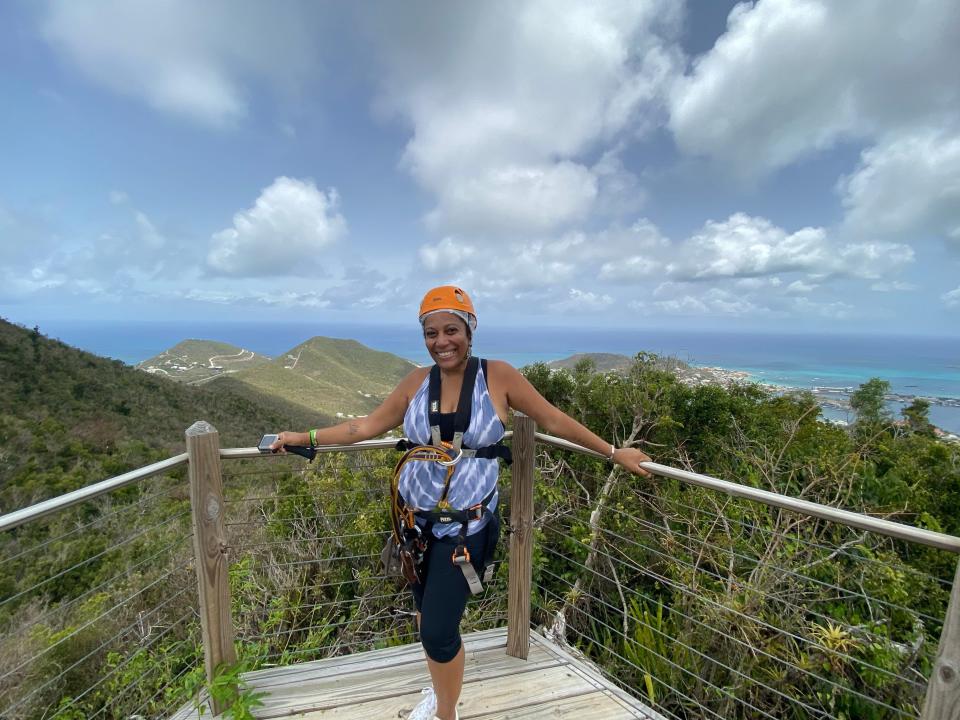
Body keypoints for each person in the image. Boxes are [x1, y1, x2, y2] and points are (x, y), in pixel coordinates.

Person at [271, 285, 652, 720]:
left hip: (465, 531)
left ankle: (446, 714)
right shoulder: (417, 382)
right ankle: (440, 692)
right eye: (431, 333)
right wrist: (304, 438)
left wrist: (611, 451)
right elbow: (366, 426)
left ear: (469, 331)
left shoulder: (499, 377)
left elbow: (552, 419)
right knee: (424, 614)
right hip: (414, 525)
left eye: (451, 329)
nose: (441, 341)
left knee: (437, 631)